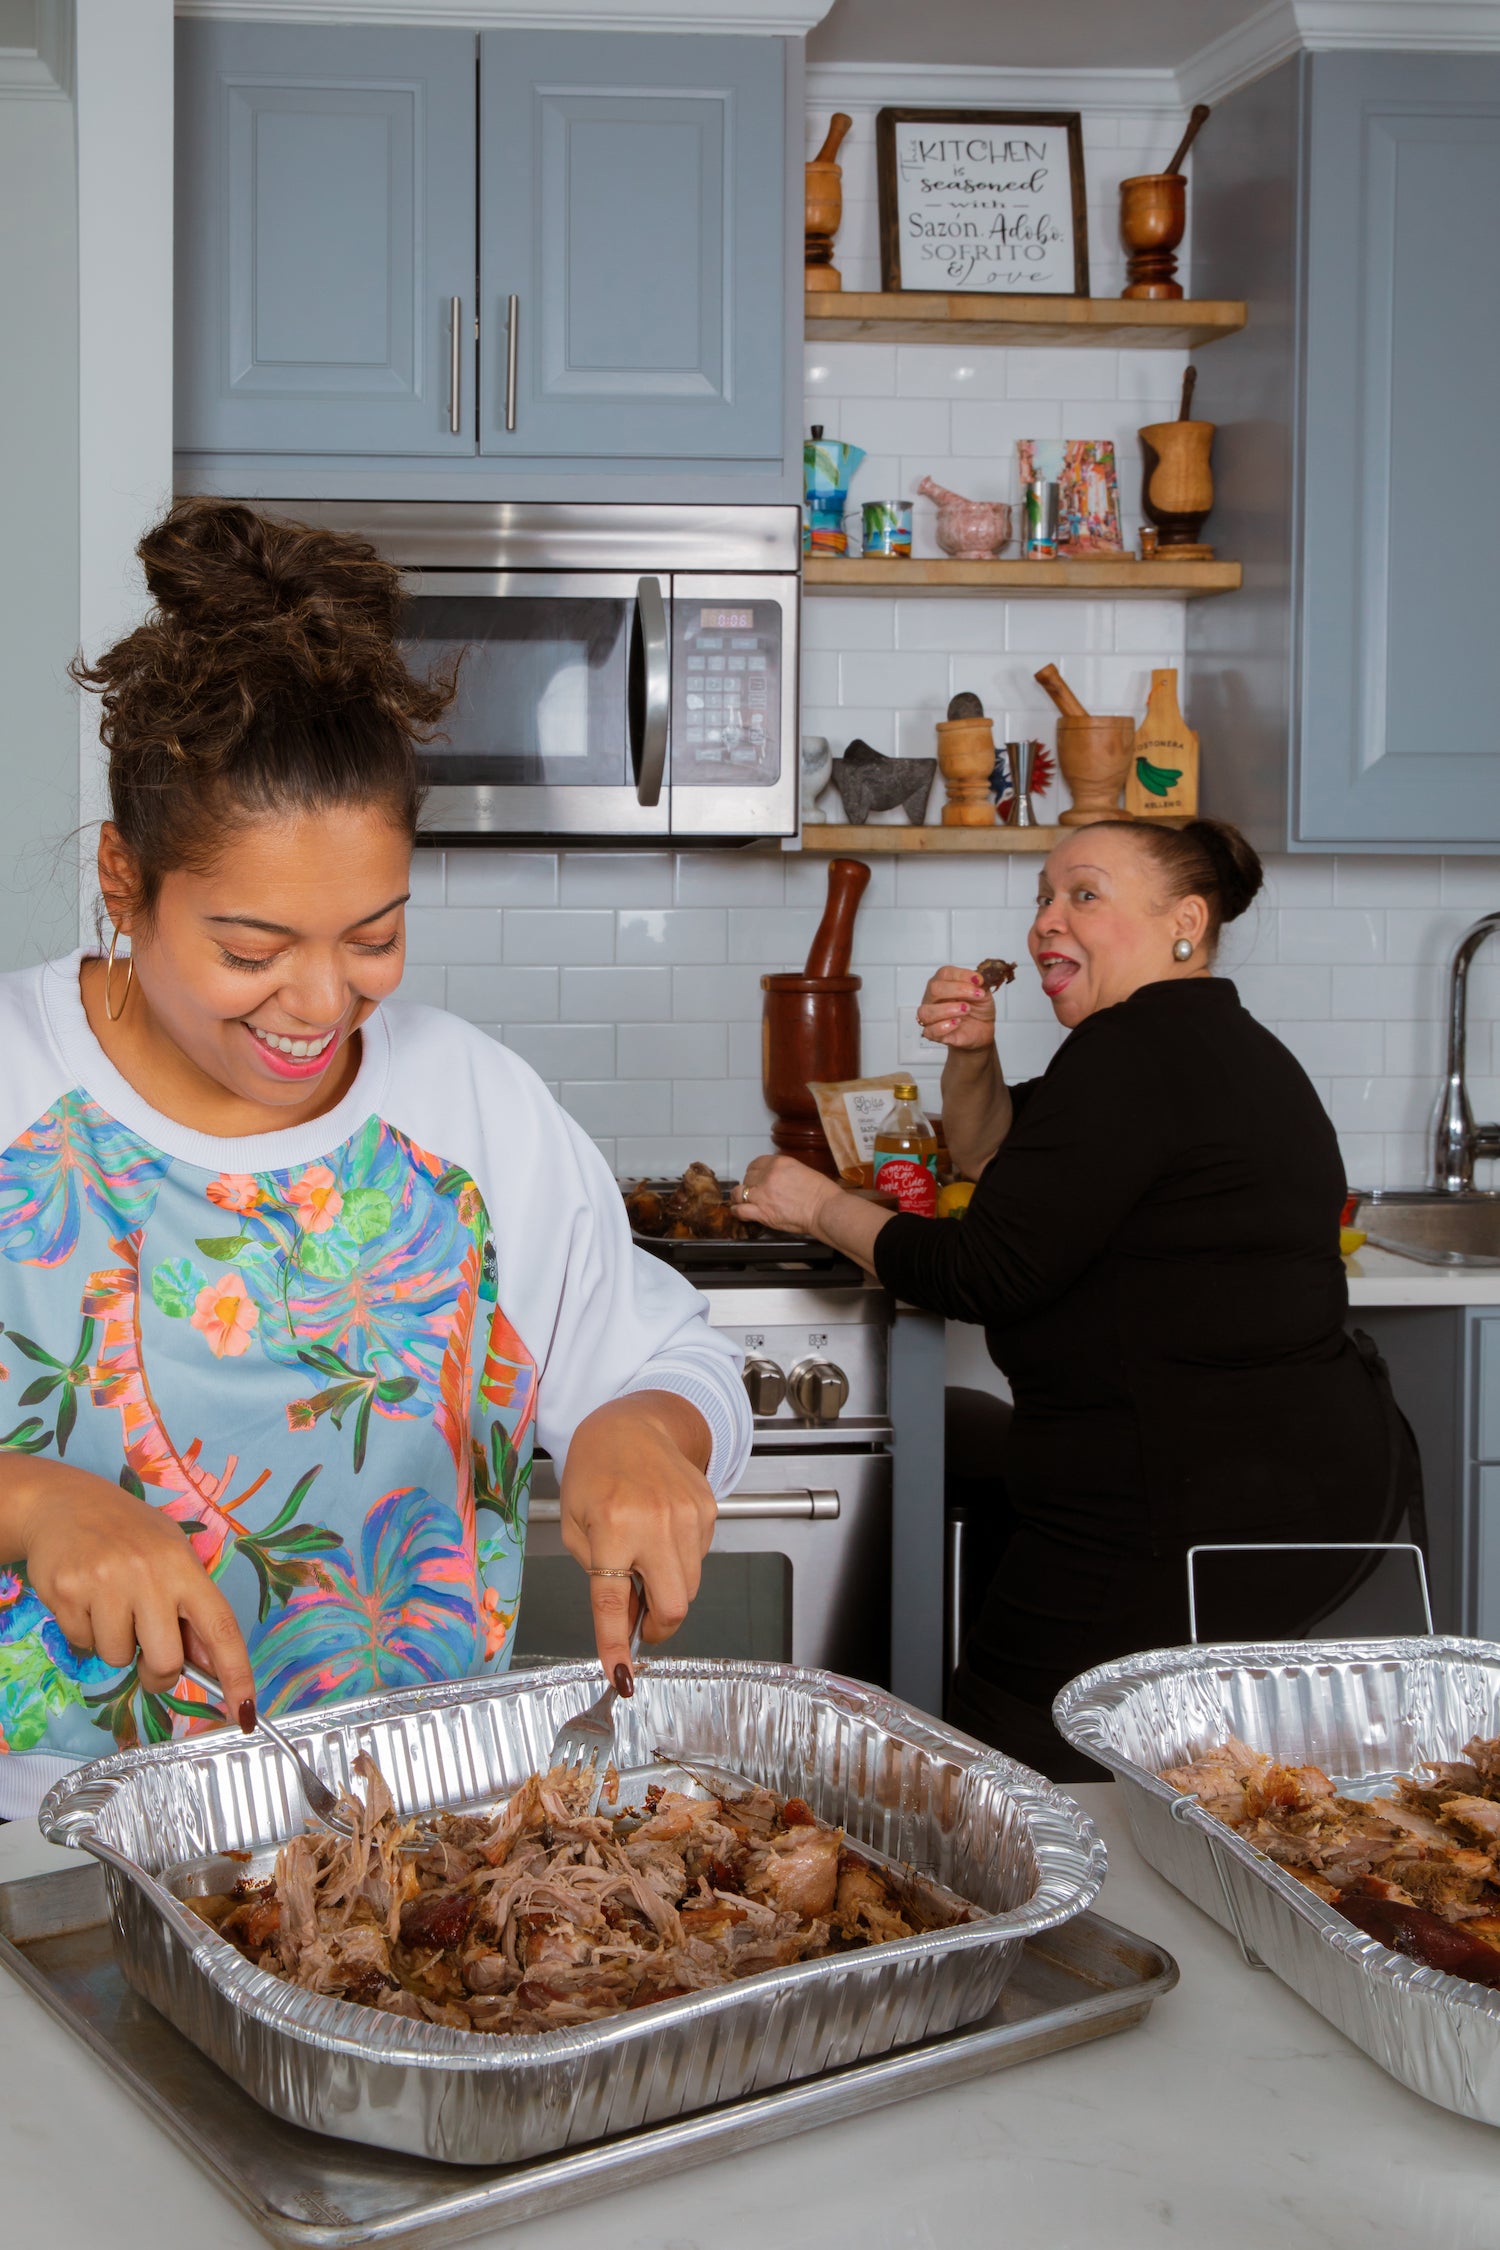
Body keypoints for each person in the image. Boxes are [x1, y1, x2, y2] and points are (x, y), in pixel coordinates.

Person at [0, 499, 750, 1819]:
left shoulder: (467, 1107)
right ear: (123, 881)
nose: (320, 1000)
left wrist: (641, 1428)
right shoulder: (16, 1083)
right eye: (250, 950)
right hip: (47, 1839)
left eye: (375, 935)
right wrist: (29, 1499)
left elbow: (666, 1356)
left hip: (416, 1838)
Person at [741, 819, 1417, 1779]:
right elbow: (1001, 1160)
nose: (1046, 922)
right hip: (1280, 1483)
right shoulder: (1185, 1040)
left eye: (1083, 895)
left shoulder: (1135, 1056)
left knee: (1017, 1752)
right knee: (1154, 1752)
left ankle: (1040, 1909)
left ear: (1186, 920)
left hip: (1183, 1498)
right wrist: (971, 1057)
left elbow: (977, 1270)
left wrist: (815, 1206)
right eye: (1043, 899)